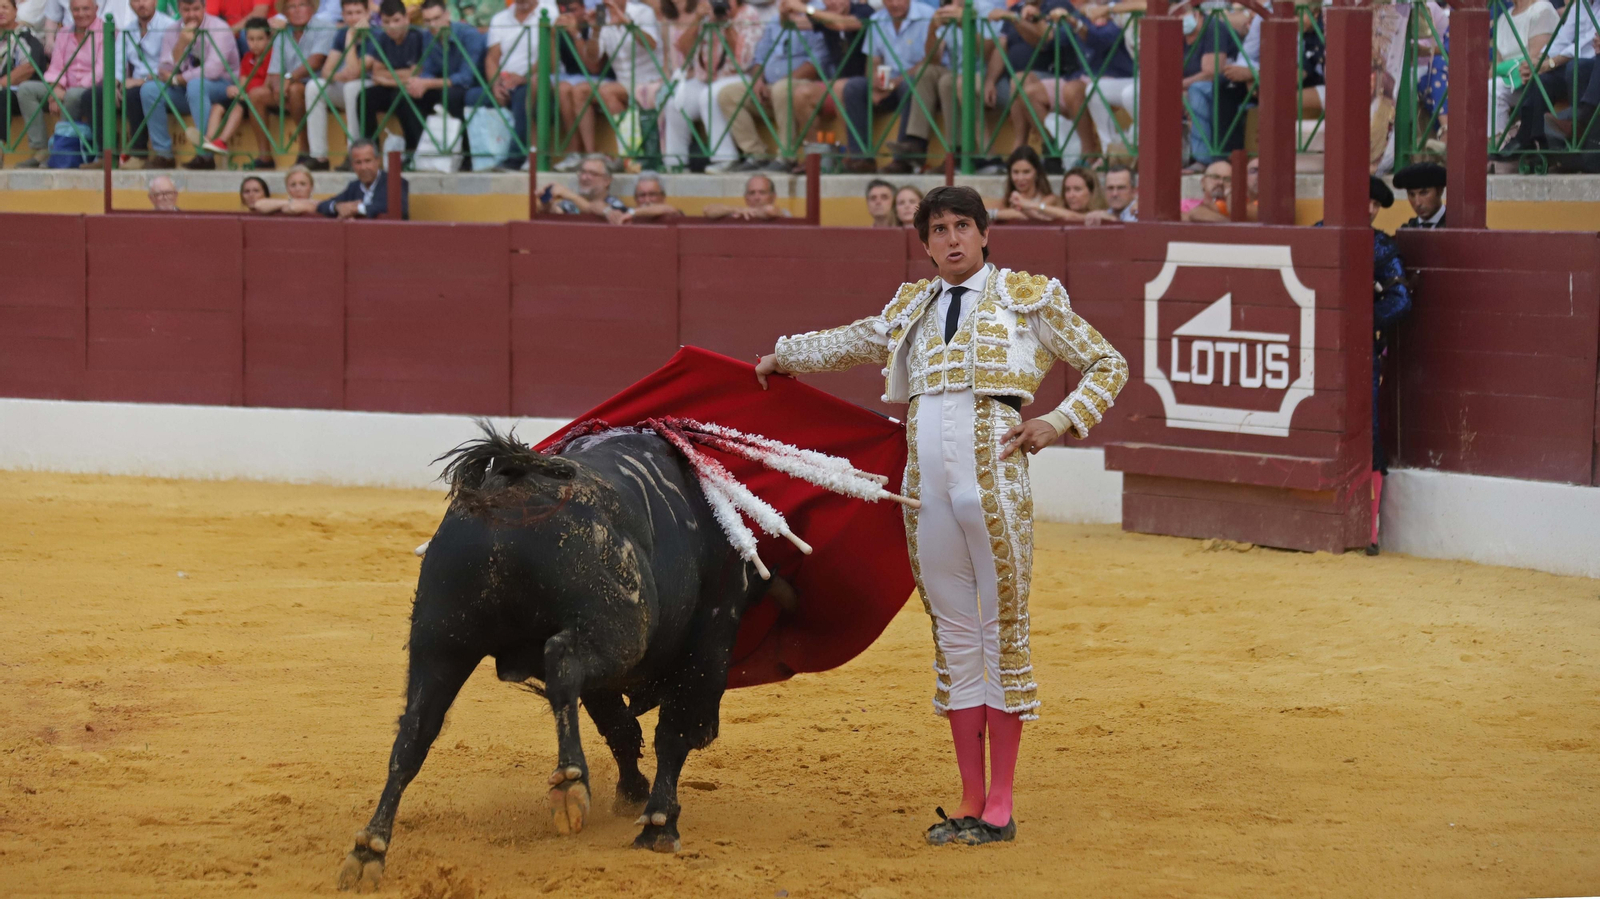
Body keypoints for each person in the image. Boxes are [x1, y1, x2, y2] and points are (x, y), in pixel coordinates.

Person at [754, 185, 1127, 847]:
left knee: (1002, 631)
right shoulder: (913, 307)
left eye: (961, 226)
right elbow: (852, 340)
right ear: (925, 244)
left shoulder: (1027, 297)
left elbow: (1107, 362)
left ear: (984, 233)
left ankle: (1001, 802)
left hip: (995, 484)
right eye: (938, 230)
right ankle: (969, 797)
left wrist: (1059, 419)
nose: (951, 239)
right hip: (926, 489)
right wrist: (784, 357)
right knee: (953, 635)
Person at [716, 0, 830, 172]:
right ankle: (755, 154)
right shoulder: (776, 19)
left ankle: (786, 156)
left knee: (782, 88)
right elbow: (759, 57)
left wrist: (781, 82)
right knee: (728, 94)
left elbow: (815, 63)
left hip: (804, 85)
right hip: (771, 86)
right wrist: (758, 81)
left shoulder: (819, 12)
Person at [661, 0, 762, 172]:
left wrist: (727, 24)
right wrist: (697, 19)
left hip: (738, 76)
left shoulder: (748, 14)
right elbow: (684, 49)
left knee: (709, 96)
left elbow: (743, 60)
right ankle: (675, 162)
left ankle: (725, 158)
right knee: (675, 103)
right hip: (705, 79)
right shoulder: (707, 15)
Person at [137, 0, 238, 170]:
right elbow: (164, 69)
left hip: (223, 87)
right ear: (179, 9)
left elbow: (213, 70)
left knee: (195, 85)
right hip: (187, 89)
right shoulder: (173, 30)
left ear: (204, 8)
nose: (191, 14)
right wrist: (181, 44)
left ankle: (205, 156)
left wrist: (178, 79)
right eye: (186, 10)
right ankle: (164, 155)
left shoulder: (219, 28)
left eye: (196, 9)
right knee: (149, 90)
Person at [1366, 174, 1410, 555]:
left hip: (1361, 351)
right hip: (1313, 347)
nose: (1370, 209)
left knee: (1368, 426)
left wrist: (1360, 320)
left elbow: (1400, 300)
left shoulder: (1381, 247)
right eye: (1365, 201)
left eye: (1376, 204)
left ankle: (1370, 529)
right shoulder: (1317, 233)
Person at [842, 0, 929, 175]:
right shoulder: (877, 19)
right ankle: (861, 157)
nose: (894, 4)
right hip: (888, 83)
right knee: (854, 87)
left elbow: (929, 60)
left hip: (913, 82)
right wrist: (875, 82)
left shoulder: (927, 16)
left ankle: (902, 160)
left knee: (910, 85)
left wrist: (895, 83)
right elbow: (872, 61)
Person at [15, 0, 105, 167]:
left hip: (91, 88)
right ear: (70, 11)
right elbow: (56, 67)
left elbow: (101, 70)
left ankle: (60, 149)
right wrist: (55, 89)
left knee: (72, 95)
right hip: (64, 87)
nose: (81, 14)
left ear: (96, 9)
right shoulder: (64, 32)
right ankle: (41, 149)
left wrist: (68, 90)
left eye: (86, 9)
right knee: (26, 89)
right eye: (76, 10)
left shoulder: (105, 31)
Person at [476, 0, 558, 172]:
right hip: (505, 81)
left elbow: (549, 57)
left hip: (534, 80)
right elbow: (492, 58)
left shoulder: (550, 13)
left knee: (523, 97)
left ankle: (515, 159)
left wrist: (523, 78)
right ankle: (473, 160)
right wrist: (496, 85)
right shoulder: (500, 18)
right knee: (470, 97)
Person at [264, 0, 336, 171]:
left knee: (296, 90)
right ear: (285, 13)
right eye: (291, 6)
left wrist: (288, 79)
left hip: (317, 84)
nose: (297, 10)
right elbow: (274, 71)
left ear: (312, 8)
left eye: (302, 5)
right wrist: (278, 86)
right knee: (256, 95)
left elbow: (316, 61)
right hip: (288, 85)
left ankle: (304, 149)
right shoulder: (283, 33)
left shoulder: (325, 26)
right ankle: (264, 156)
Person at [590, 0, 660, 166]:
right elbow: (592, 59)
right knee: (600, 93)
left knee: (606, 92)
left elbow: (651, 44)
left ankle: (629, 153)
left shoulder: (642, 12)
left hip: (651, 79)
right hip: (624, 83)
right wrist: (595, 31)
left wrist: (627, 23)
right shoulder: (602, 16)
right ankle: (629, 153)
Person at [199, 15, 275, 168]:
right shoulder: (247, 58)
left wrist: (243, 95)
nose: (255, 44)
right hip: (245, 97)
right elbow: (243, 84)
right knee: (217, 106)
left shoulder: (272, 56)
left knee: (237, 108)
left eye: (260, 39)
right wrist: (234, 90)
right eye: (251, 39)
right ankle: (209, 139)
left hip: (257, 100)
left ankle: (222, 141)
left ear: (269, 39)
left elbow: (267, 85)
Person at [361, 0, 429, 152]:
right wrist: (400, 76)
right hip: (394, 87)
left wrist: (387, 79)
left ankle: (413, 149)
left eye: (396, 20)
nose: (392, 26)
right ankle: (370, 149)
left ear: (406, 19)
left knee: (401, 96)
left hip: (411, 89)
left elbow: (415, 74)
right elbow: (377, 72)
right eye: (386, 22)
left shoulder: (416, 37)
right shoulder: (383, 38)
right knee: (364, 97)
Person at [115, 0, 176, 170]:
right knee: (99, 94)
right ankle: (103, 155)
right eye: (136, 0)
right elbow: (118, 63)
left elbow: (170, 66)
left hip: (163, 82)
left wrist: (142, 81)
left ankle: (139, 153)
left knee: (135, 93)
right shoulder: (127, 30)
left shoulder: (169, 26)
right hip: (133, 82)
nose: (141, 4)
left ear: (155, 1)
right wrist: (115, 84)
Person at [1487, 0, 1557, 144]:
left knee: (1492, 87)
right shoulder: (1503, 18)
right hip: (1509, 79)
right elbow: (1497, 64)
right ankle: (1495, 144)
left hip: (1533, 81)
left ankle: (1499, 145)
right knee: (1488, 86)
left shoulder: (1542, 9)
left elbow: (1536, 60)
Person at [0, 0, 49, 168]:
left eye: (5, 7)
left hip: (17, 92)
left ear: (15, 11)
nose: (1, 11)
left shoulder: (25, 36)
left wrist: (2, 83)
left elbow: (28, 67)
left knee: (1, 97)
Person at [317, 137, 410, 217]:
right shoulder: (353, 187)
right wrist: (337, 206)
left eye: (368, 161)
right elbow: (322, 206)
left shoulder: (395, 183)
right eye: (358, 162)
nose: (363, 167)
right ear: (352, 165)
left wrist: (357, 208)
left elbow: (398, 207)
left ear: (377, 161)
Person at [540, 152, 630, 220]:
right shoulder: (570, 203)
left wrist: (569, 194)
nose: (584, 177)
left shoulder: (615, 204)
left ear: (607, 181)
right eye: (582, 172)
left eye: (592, 173)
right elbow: (556, 211)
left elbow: (598, 208)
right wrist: (547, 203)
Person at [989, 144, 1058, 221]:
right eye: (1015, 172)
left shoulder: (1050, 199)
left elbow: (1034, 214)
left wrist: (992, 214)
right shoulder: (1006, 201)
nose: (1020, 178)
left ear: (1037, 172)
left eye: (1026, 172)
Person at [703, 172, 791, 218]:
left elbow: (770, 210)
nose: (757, 197)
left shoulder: (784, 213)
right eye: (752, 193)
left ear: (773, 196)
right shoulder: (741, 212)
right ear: (746, 198)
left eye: (762, 192)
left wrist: (748, 212)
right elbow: (708, 210)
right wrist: (736, 209)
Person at [1394, 160, 1446, 228]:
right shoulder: (1408, 229)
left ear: (1439, 191)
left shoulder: (1457, 224)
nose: (1418, 203)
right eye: (1411, 195)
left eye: (1424, 193)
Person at [252, 163, 321, 212]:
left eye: (303, 184)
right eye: (293, 185)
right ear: (287, 188)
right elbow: (258, 205)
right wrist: (290, 202)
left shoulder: (319, 205)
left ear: (311, 187)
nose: (297, 189)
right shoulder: (284, 204)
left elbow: (294, 208)